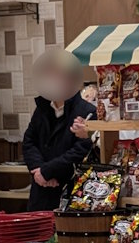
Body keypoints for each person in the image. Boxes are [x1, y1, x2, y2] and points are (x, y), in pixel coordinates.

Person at [22, 51, 97, 211]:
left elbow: (81, 149)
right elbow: (29, 141)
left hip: (71, 189)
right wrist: (39, 172)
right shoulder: (42, 109)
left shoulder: (87, 111)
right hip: (40, 190)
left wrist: (47, 171)